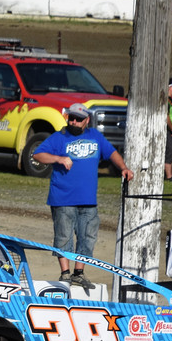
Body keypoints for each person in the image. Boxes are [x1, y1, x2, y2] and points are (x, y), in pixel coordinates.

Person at [32, 102, 134, 289]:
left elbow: (112, 153)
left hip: (88, 199)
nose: (74, 122)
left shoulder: (95, 136)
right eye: (71, 118)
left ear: (87, 120)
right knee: (64, 237)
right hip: (63, 198)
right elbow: (38, 154)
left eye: (78, 119)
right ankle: (65, 274)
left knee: (87, 237)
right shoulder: (59, 137)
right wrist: (58, 158)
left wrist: (123, 168)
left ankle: (79, 273)